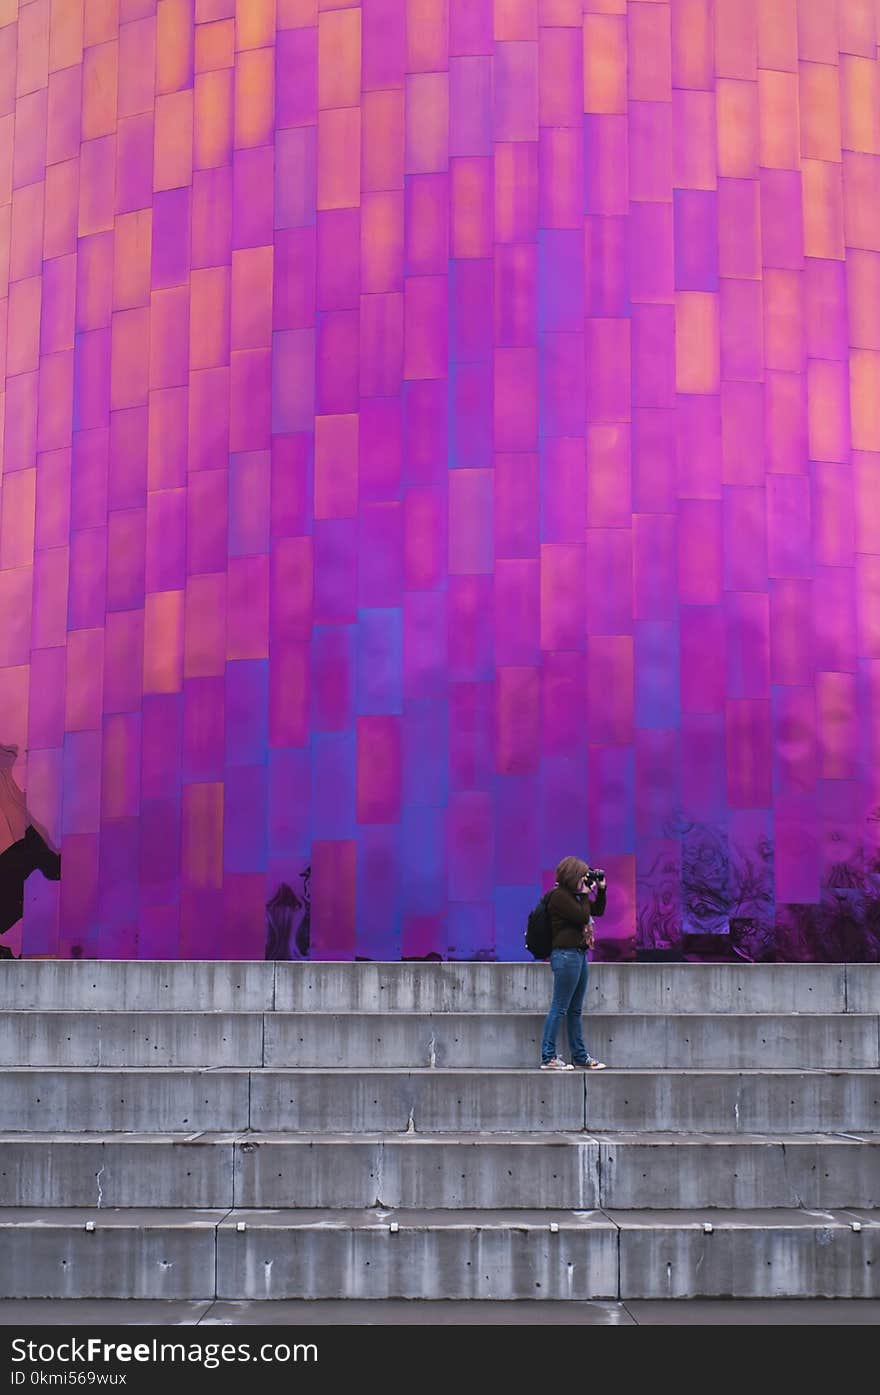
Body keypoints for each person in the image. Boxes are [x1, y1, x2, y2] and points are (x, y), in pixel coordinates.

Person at [539, 855, 607, 1070]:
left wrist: (601, 890)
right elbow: (580, 916)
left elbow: (597, 911)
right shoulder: (559, 896)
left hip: (578, 955)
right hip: (566, 956)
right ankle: (548, 1057)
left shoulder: (576, 896)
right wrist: (586, 895)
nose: (585, 880)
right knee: (559, 1007)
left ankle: (579, 1055)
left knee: (575, 1010)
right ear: (572, 876)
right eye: (582, 876)